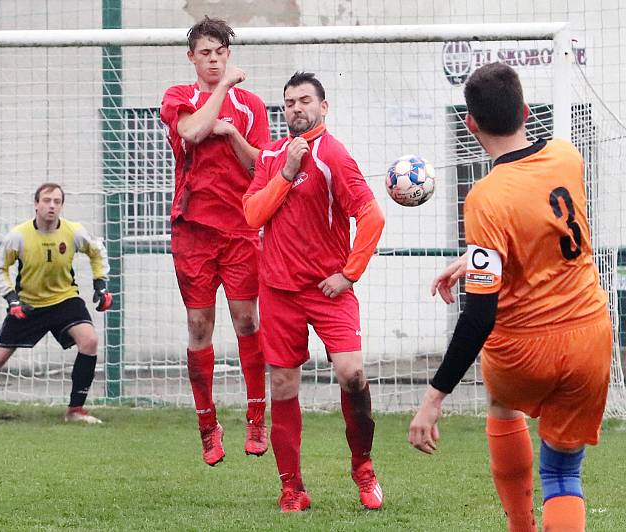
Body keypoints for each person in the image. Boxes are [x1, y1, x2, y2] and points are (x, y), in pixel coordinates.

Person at [409, 62, 612, 532]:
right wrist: (474, 259)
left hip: (523, 349)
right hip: (588, 339)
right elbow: (546, 231)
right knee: (563, 474)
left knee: (504, 407)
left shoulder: (485, 197)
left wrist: (434, 397)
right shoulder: (567, 157)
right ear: (525, 110)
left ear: (471, 124)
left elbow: (480, 313)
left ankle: (520, 526)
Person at [243, 72, 386, 512]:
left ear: (323, 107)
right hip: (279, 291)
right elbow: (252, 215)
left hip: (328, 291)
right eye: (288, 102)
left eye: (305, 101)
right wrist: (285, 172)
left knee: (351, 374)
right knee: (283, 384)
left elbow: (371, 215)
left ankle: (363, 467)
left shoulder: (334, 155)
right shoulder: (271, 155)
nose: (295, 108)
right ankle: (292, 488)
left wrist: (349, 274)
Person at [160, 16, 271, 465]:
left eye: (219, 52)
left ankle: (256, 417)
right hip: (193, 231)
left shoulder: (253, 106)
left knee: (247, 320)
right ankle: (208, 426)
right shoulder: (179, 97)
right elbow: (190, 132)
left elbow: (258, 167)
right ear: (192, 58)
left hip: (242, 229)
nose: (212, 59)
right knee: (199, 327)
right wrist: (222, 89)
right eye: (204, 53)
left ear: (229, 53)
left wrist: (234, 133)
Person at [0, 183, 111, 424]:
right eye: (46, 200)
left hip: (64, 299)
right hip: (28, 305)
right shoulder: (18, 235)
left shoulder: (73, 231)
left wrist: (101, 283)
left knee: (90, 341)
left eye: (57, 201)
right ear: (36, 204)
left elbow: (96, 251)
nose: (51, 206)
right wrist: (11, 298)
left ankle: (75, 411)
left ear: (61, 206)